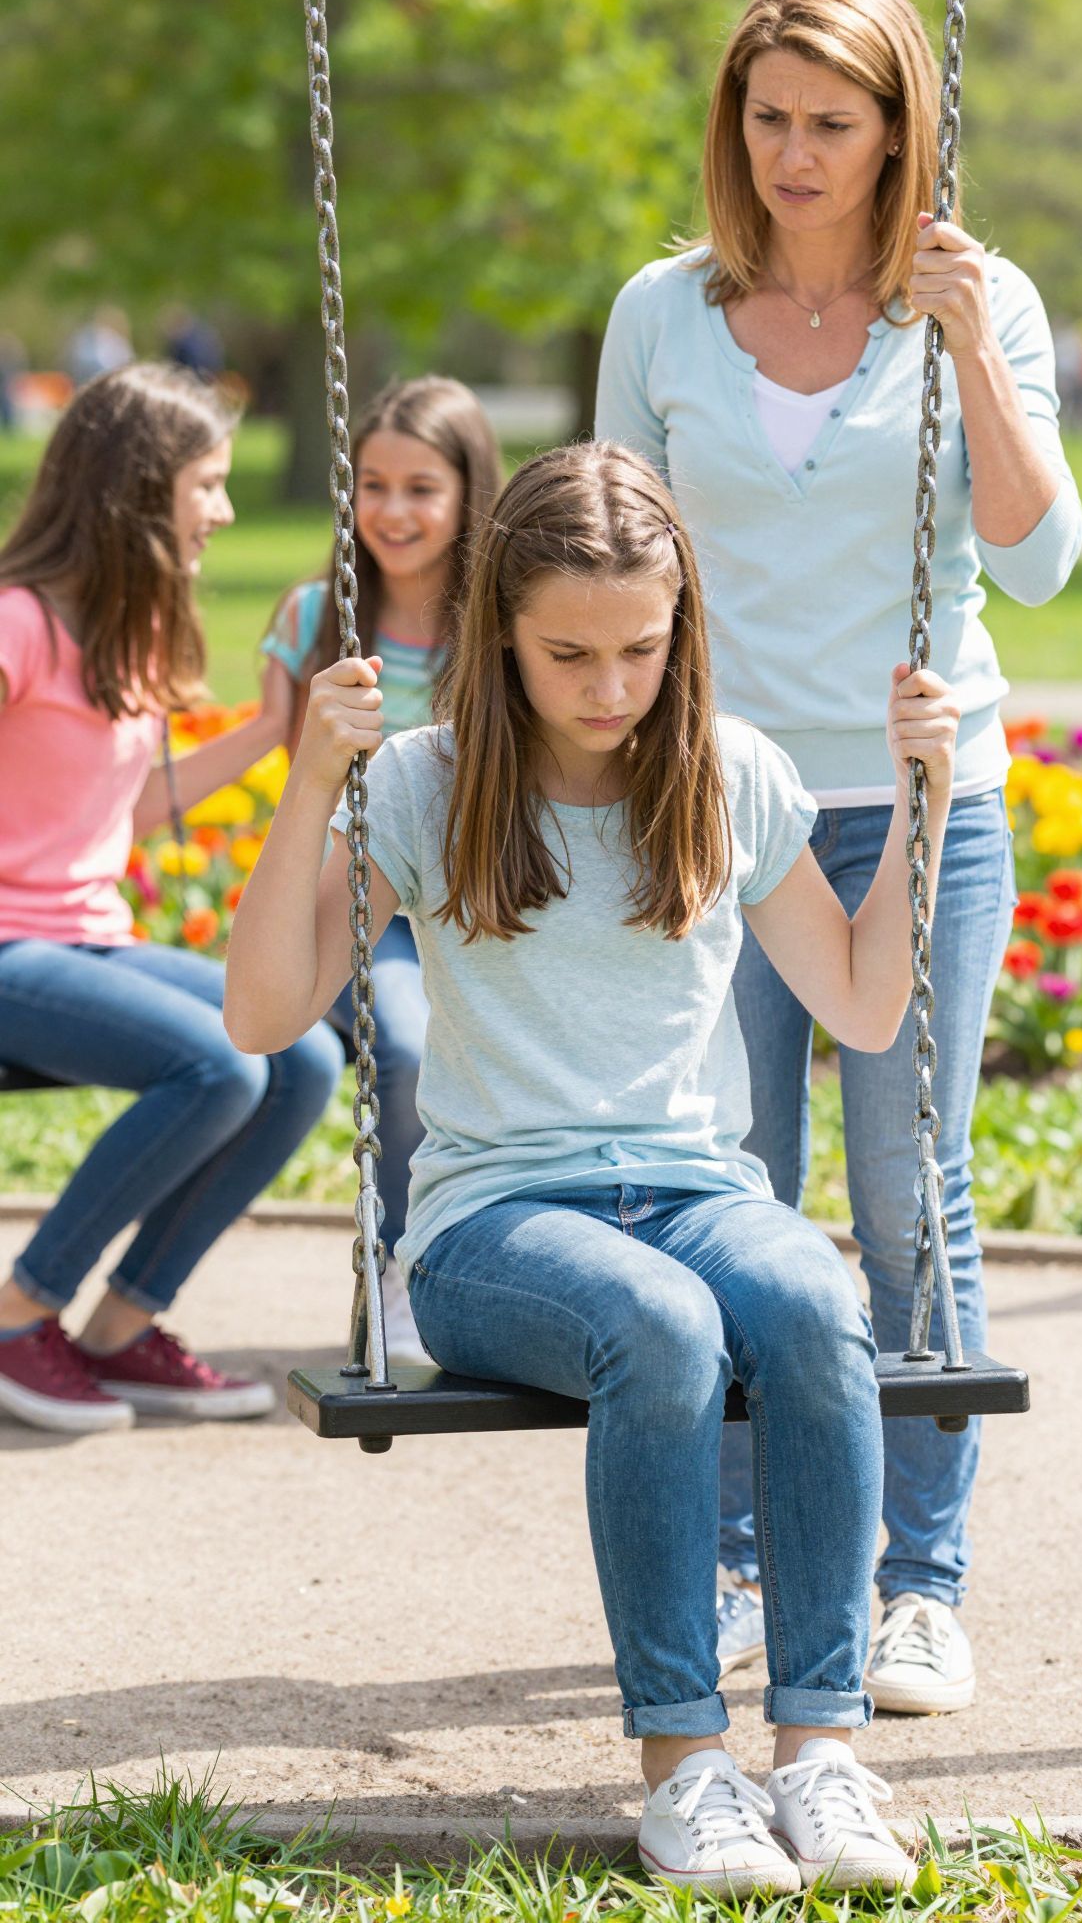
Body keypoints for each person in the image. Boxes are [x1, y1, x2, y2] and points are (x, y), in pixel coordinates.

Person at [225, 440, 959, 1893]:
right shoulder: (430, 787)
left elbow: (868, 1007)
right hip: (499, 1225)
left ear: (681, 630)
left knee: (815, 1304)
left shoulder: (726, 775)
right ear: (503, 627)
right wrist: (314, 779)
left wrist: (920, 801)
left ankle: (818, 1752)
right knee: (661, 1327)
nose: (610, 686)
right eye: (569, 653)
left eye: (640, 649)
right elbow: (261, 1012)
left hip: (697, 1194)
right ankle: (685, 1770)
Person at [595, 0, 1082, 1712]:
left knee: (906, 1199)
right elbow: (606, 557)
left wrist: (962, 339)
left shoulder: (976, 300)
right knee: (727, 1185)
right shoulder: (662, 311)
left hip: (918, 807)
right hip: (716, 807)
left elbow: (1033, 558)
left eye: (833, 124)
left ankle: (917, 1581)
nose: (793, 153)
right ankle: (736, 1563)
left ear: (899, 135)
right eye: (768, 118)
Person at [0, 364, 345, 1435]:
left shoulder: (125, 631)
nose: (226, 511)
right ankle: (19, 1314)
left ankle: (119, 1323)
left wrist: (270, 734)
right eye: (210, 483)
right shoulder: (17, 624)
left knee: (301, 1053)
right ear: (140, 489)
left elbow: (121, 812)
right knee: (214, 1061)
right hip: (10, 947)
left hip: (82, 939)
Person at [259, 377, 501, 1350]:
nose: (392, 511)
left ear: (467, 493)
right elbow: (297, 791)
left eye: (421, 488)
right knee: (403, 1044)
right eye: (373, 485)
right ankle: (401, 1267)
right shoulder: (318, 616)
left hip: (473, 900)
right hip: (360, 907)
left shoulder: (498, 622)